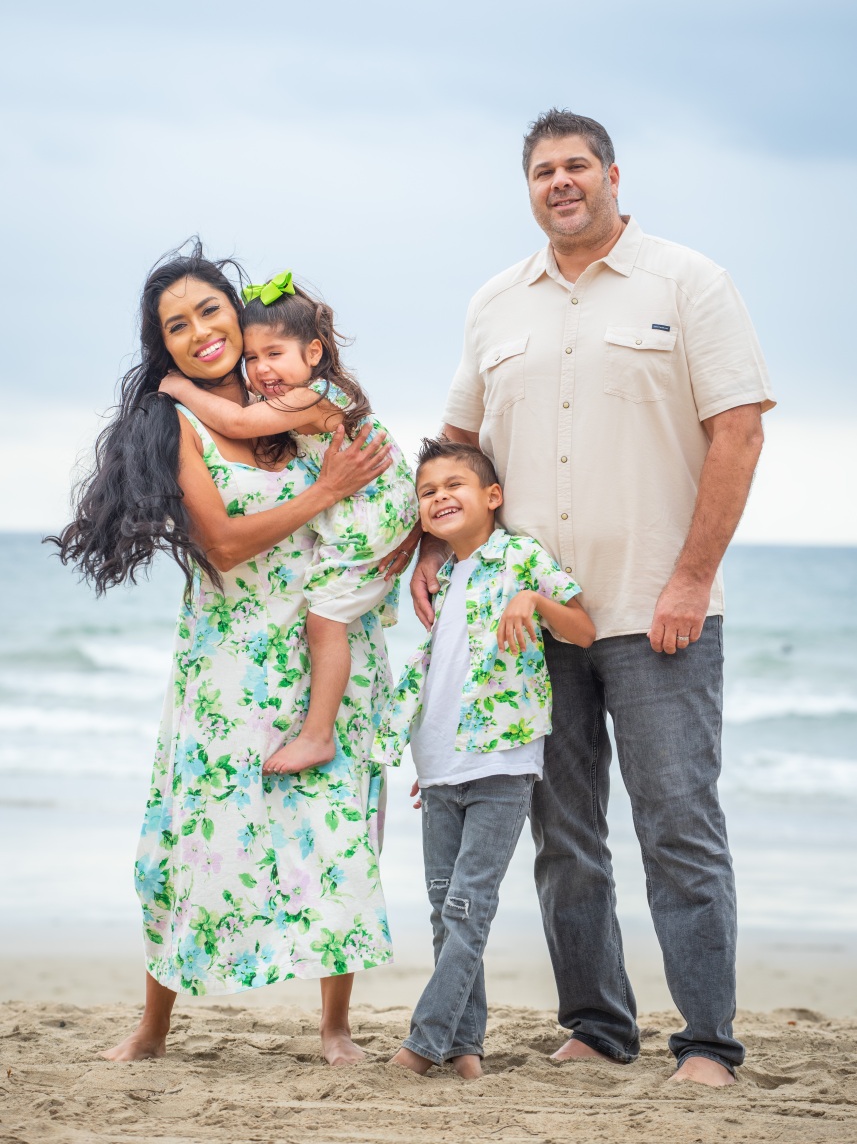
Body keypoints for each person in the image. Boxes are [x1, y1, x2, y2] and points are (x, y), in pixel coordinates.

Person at [411, 111, 776, 1086]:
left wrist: (689, 577)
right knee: (564, 836)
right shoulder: (495, 303)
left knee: (676, 828)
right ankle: (599, 1025)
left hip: (659, 615)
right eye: (542, 171)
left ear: (613, 175)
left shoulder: (688, 282)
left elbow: (738, 432)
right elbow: (456, 443)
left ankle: (707, 1042)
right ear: (527, 188)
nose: (560, 182)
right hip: (530, 627)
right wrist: (432, 551)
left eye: (576, 166)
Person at [48, 243, 407, 1065]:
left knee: (335, 832)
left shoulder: (283, 396)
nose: (200, 332)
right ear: (162, 344)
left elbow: (374, 481)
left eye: (210, 311)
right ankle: (153, 1027)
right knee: (195, 833)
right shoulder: (172, 421)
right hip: (231, 664)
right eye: (176, 326)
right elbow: (222, 543)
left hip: (327, 645)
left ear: (238, 318)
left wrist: (408, 544)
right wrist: (325, 492)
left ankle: (336, 1027)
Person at [375, 438, 595, 1078]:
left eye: (454, 485)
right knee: (444, 913)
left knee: (468, 909)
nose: (439, 497)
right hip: (440, 770)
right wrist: (429, 756)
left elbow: (582, 629)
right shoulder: (444, 576)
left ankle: (422, 1045)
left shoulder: (519, 557)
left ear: (492, 497)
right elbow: (445, 679)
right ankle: (465, 1048)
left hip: (501, 766)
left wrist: (534, 602)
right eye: (427, 491)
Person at [159, 269, 419, 776]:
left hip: (369, 508)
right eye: (253, 358)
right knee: (332, 615)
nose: (261, 369)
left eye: (274, 354)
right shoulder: (302, 397)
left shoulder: (311, 396)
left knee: (325, 620)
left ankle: (318, 735)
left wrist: (179, 387)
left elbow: (236, 423)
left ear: (314, 353)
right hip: (378, 503)